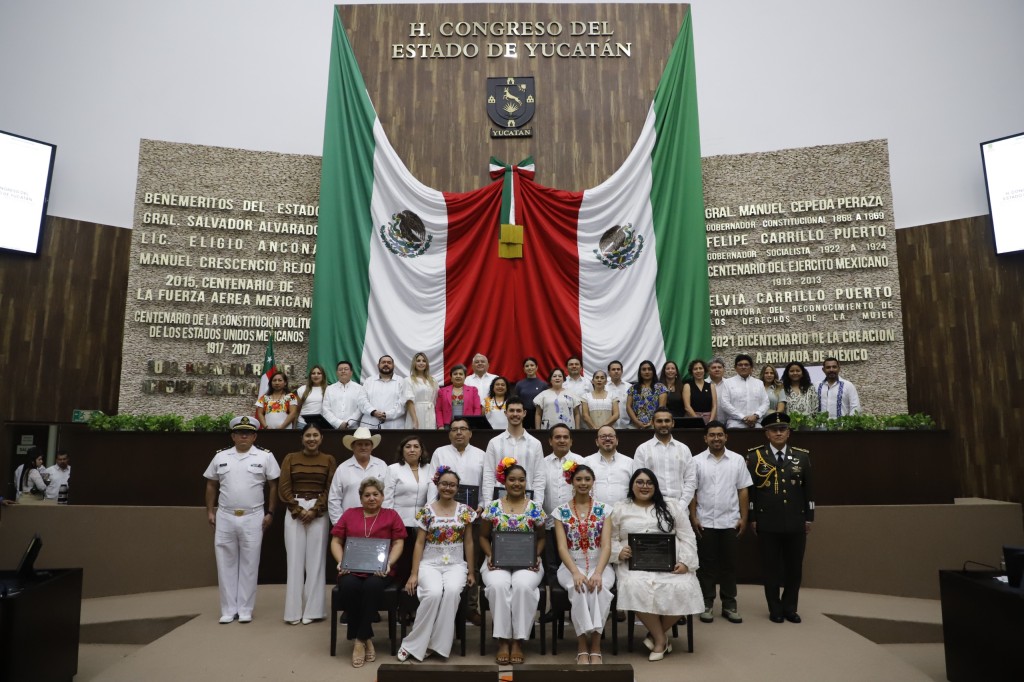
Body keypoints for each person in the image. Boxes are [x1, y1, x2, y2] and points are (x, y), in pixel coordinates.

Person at [609, 468, 704, 661]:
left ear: (655, 486)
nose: (644, 486)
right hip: (633, 564)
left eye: (649, 482)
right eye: (639, 482)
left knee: (685, 586)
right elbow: (610, 538)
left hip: (671, 563)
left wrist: (686, 562)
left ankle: (654, 635)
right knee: (635, 586)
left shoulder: (672, 506)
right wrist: (618, 551)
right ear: (632, 485)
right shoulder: (620, 508)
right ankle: (660, 639)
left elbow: (687, 537)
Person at [203, 416, 280, 624]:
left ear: (254, 436)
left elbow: (274, 485)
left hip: (253, 515)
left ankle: (245, 609)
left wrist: (270, 512)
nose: (243, 436)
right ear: (233, 436)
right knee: (225, 562)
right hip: (225, 515)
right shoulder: (220, 456)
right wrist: (210, 511)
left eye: (248, 433)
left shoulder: (265, 456)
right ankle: (228, 609)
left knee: (250, 563)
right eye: (239, 433)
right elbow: (211, 484)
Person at [397, 467, 477, 662]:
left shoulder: (465, 511)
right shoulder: (427, 511)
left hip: (456, 564)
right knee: (432, 594)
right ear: (437, 485)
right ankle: (412, 644)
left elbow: (468, 542)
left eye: (452, 485)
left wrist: (471, 572)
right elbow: (419, 543)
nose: (447, 488)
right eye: (444, 484)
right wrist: (414, 573)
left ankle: (436, 645)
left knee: (451, 592)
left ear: (457, 488)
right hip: (430, 564)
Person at [330, 477, 406, 668]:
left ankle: (358, 640)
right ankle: (366, 637)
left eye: (375, 494)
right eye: (367, 495)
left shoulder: (391, 515)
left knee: (372, 586)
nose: (371, 498)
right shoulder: (350, 514)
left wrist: (389, 563)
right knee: (349, 585)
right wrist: (341, 561)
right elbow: (336, 541)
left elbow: (398, 542)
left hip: (381, 570)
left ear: (382, 496)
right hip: (351, 568)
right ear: (361, 498)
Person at [747, 412, 814, 624]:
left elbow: (808, 490)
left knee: (794, 568)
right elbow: (751, 492)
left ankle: (790, 608)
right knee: (771, 568)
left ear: (788, 433)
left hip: (796, 521)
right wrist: (752, 517)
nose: (778, 433)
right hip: (768, 521)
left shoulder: (801, 457)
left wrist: (809, 517)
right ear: (766, 433)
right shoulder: (755, 456)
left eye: (782, 429)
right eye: (774, 430)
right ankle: (775, 608)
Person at [479, 461, 546, 665]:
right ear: (504, 482)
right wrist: (490, 555)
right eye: (512, 479)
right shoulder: (492, 507)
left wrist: (535, 556)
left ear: (526, 482)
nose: (517, 483)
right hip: (496, 561)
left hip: (528, 562)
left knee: (522, 586)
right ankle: (502, 640)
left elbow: (542, 538)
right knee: (498, 586)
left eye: (521, 480)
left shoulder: (535, 508)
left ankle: (518, 640)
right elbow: (482, 537)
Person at [688, 421, 751, 624]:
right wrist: (693, 517)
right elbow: (692, 492)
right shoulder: (696, 461)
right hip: (705, 522)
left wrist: (744, 518)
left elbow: (743, 490)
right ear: (705, 438)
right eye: (712, 435)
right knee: (706, 566)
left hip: (730, 522)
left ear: (726, 437)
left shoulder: (737, 460)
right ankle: (706, 604)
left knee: (729, 565)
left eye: (720, 434)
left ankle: (729, 605)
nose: (716, 438)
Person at [552, 463, 614, 664]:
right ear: (571, 482)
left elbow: (606, 546)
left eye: (587, 479)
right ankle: (581, 645)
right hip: (571, 564)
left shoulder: (604, 510)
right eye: (578, 479)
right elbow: (562, 547)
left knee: (599, 588)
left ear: (593, 482)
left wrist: (598, 572)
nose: (583, 483)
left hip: (600, 564)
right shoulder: (560, 512)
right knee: (578, 588)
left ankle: (595, 645)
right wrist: (575, 572)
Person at [278, 423, 337, 625]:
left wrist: (315, 510)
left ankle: (313, 611)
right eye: (308, 435)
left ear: (321, 438)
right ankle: (293, 612)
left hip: (318, 511)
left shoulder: (328, 460)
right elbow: (284, 487)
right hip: (294, 510)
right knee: (294, 561)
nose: (312, 439)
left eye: (315, 435)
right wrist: (298, 509)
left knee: (316, 561)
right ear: (302, 438)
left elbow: (331, 488)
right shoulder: (290, 458)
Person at [482, 398, 546, 506]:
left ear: (524, 413)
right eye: (511, 410)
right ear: (505, 413)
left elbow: (539, 477)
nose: (515, 414)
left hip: (528, 503)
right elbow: (488, 475)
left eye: (518, 411)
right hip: (499, 503)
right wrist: (488, 504)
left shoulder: (535, 444)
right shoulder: (494, 443)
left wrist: (537, 505)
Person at [384, 435, 431, 584]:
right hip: (399, 521)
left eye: (416, 447)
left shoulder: (429, 469)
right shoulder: (393, 469)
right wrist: (389, 522)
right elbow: (387, 498)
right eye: (408, 446)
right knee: (402, 563)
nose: (412, 450)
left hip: (422, 522)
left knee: (420, 561)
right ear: (402, 450)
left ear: (421, 451)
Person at [541, 424, 584, 582]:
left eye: (565, 437)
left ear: (571, 441)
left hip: (575, 524)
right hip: (548, 523)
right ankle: (554, 598)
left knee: (573, 565)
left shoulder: (580, 462)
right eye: (557, 437)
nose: (562, 440)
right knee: (551, 566)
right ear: (550, 441)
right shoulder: (542, 463)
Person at [632, 407, 697, 508]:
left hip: (680, 507)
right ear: (653, 423)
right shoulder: (643, 449)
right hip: (651, 508)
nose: (663, 424)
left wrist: (681, 505)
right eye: (659, 421)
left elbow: (691, 480)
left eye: (667, 421)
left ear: (673, 423)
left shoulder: (684, 449)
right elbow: (638, 481)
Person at [327, 427, 388, 525]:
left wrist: (384, 521)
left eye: (367, 444)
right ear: (353, 446)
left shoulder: (382, 465)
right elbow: (334, 499)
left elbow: (388, 494)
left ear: (372, 447)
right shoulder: (342, 468)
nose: (363, 447)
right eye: (359, 444)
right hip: (350, 523)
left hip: (378, 523)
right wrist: (339, 524)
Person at [425, 418, 486, 505]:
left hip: (473, 506)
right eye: (454, 429)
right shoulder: (440, 452)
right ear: (449, 435)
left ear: (470, 433)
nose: (459, 432)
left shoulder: (481, 455)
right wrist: (431, 505)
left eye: (463, 429)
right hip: (444, 506)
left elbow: (486, 482)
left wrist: (482, 504)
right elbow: (432, 481)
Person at [584, 426, 634, 506]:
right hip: (594, 511)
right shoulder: (586, 462)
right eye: (603, 436)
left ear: (617, 441)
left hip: (624, 510)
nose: (607, 439)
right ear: (597, 442)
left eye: (611, 436)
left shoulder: (630, 462)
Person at [718, 354, 769, 429]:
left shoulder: (759, 383)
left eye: (746, 365)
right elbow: (725, 404)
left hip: (756, 423)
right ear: (735, 368)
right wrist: (742, 417)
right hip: (735, 424)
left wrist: (756, 415)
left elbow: (766, 403)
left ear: (751, 367)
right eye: (740, 365)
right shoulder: (728, 383)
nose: (743, 367)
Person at [362, 355, 406, 429]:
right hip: (370, 424)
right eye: (383, 362)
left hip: (394, 425)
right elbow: (362, 400)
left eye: (389, 362)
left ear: (393, 366)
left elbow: (403, 403)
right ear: (378, 365)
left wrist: (387, 415)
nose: (386, 364)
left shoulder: (401, 381)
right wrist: (373, 412)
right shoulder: (369, 381)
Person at [322, 360, 368, 430]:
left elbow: (360, 409)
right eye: (340, 369)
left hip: (353, 429)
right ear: (337, 373)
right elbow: (326, 409)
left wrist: (348, 423)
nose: (343, 371)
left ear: (351, 372)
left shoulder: (359, 388)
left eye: (346, 369)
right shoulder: (329, 389)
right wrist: (338, 423)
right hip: (333, 428)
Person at [435, 364, 482, 429]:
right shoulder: (442, 391)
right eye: (455, 374)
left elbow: (477, 409)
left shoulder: (473, 390)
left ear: (465, 377)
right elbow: (438, 410)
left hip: (467, 425)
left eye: (461, 374)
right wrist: (440, 426)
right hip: (447, 425)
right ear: (451, 377)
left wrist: (473, 424)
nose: (458, 376)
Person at [626, 360, 667, 429]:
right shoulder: (633, 388)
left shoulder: (661, 387)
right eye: (644, 369)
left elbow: (661, 407)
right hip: (635, 425)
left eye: (649, 369)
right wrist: (637, 422)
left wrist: (651, 422)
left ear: (653, 371)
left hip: (655, 425)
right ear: (640, 372)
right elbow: (628, 407)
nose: (647, 372)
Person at [403, 352, 439, 429]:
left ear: (427, 364)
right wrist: (415, 420)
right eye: (418, 361)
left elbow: (436, 400)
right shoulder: (408, 380)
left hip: (430, 413)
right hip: (416, 412)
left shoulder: (433, 381)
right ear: (414, 363)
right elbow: (409, 401)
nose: (421, 363)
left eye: (424, 361)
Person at [682, 359, 717, 424]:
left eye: (700, 368)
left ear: (704, 370)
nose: (698, 371)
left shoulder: (711, 386)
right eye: (695, 369)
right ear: (692, 371)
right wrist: (698, 421)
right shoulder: (687, 386)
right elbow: (687, 407)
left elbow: (714, 406)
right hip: (692, 419)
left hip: (709, 419)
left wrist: (711, 421)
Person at [296, 365, 330, 429]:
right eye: (313, 373)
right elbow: (297, 410)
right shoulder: (302, 389)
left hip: (321, 424)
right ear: (310, 376)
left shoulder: (329, 389)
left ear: (323, 376)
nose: (316, 375)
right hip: (303, 424)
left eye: (319, 373)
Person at [605, 360, 632, 430]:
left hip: (627, 427)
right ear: (609, 372)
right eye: (613, 369)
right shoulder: (604, 387)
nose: (616, 371)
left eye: (618, 369)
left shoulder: (629, 387)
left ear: (622, 371)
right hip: (609, 427)